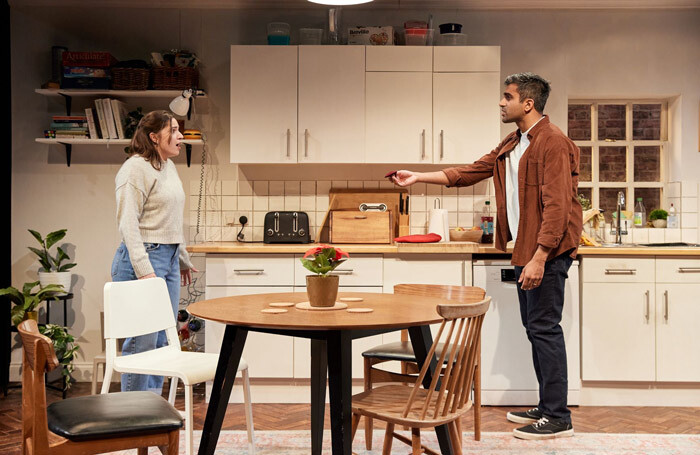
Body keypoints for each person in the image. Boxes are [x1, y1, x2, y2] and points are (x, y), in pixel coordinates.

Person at [390, 73, 582, 440]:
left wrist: (541, 256)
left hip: (549, 250)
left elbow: (557, 205)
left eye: (506, 97)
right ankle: (547, 405)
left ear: (528, 103)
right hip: (527, 247)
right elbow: (469, 172)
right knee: (535, 329)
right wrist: (417, 177)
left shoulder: (553, 142)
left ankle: (558, 416)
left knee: (544, 329)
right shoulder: (515, 141)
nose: (501, 103)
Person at [111, 110, 198, 394]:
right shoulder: (134, 168)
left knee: (162, 340)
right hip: (143, 259)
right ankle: (133, 417)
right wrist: (145, 270)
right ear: (153, 137)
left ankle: (153, 413)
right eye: (173, 131)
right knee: (141, 343)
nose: (180, 136)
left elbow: (171, 219)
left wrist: (181, 258)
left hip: (168, 260)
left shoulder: (166, 165)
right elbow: (127, 224)